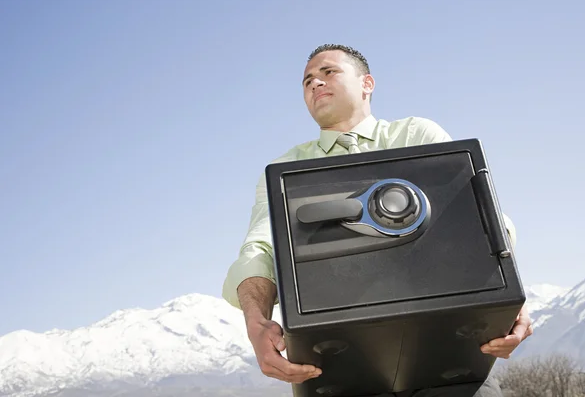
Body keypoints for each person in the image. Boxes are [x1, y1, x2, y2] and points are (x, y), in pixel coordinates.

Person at [221, 44, 533, 396]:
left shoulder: (416, 135)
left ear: (367, 83)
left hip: (450, 354)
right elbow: (260, 248)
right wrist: (255, 321)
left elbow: (483, 218)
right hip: (337, 368)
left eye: (328, 73)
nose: (314, 84)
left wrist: (509, 300)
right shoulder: (282, 170)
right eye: (307, 81)